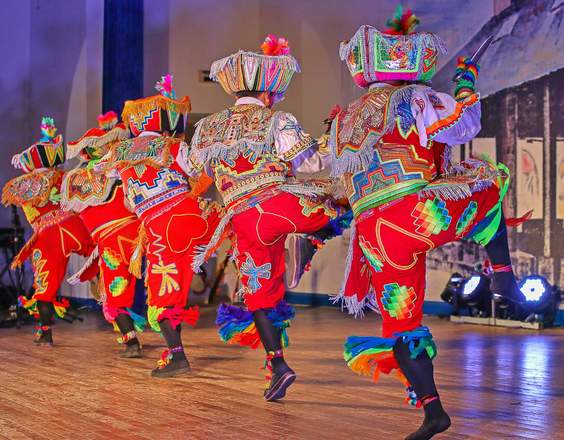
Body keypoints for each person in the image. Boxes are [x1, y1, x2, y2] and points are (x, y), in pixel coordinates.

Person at [329, 8, 519, 440]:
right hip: (415, 215)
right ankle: (503, 277)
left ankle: (433, 410)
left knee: (403, 323)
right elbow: (466, 123)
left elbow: (336, 175)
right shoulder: (414, 98)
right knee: (487, 184)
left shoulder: (344, 118)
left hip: (376, 235)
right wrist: (467, 85)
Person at [189, 35, 347, 401]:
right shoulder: (276, 119)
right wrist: (331, 138)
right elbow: (310, 164)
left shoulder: (209, 127)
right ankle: (313, 236)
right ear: (267, 94)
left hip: (244, 220)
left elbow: (194, 168)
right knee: (342, 202)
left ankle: (278, 364)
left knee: (259, 296)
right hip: (280, 206)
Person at [101, 75, 221, 377]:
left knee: (162, 293)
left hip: (157, 228)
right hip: (190, 216)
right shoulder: (172, 146)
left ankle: (177, 355)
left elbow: (118, 193)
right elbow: (198, 169)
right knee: (231, 225)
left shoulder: (120, 154)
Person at [1, 117, 94, 345]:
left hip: (46, 236)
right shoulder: (62, 176)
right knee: (101, 253)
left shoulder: (20, 185)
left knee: (45, 286)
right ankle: (119, 316)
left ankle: (45, 331)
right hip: (72, 225)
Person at [61, 111, 145, 357]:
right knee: (157, 280)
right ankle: (171, 344)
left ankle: (132, 340)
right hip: (139, 233)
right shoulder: (122, 168)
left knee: (114, 291)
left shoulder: (77, 179)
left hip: (119, 238)